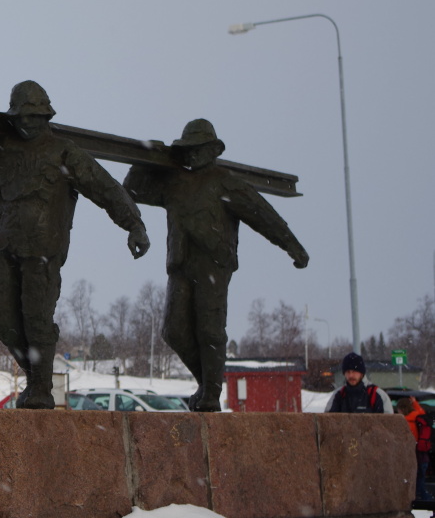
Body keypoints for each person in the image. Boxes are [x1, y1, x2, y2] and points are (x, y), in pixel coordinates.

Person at [0, 81, 150, 409]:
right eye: (23, 116)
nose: (28, 122)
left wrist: (133, 224)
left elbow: (106, 189)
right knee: (2, 322)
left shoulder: (64, 153)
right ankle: (37, 376)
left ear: (47, 116)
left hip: (42, 251)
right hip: (0, 249)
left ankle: (40, 387)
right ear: (13, 117)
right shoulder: (0, 150)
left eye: (35, 116)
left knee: (36, 319)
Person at [124, 119, 308, 412]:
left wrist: (293, 246)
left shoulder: (226, 183)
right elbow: (132, 191)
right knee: (174, 331)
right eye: (189, 149)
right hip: (181, 265)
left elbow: (264, 216)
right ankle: (207, 383)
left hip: (212, 265)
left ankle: (211, 392)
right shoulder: (174, 182)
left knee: (210, 330)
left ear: (213, 150)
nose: (193, 154)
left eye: (199, 148)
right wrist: (143, 161)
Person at [396, 396, 433, 501]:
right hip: (423, 455)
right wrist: (415, 403)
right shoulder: (417, 417)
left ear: (402, 409)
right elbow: (422, 412)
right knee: (420, 479)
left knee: (416, 481)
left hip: (415, 455)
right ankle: (423, 498)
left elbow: (409, 441)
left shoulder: (407, 421)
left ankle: (420, 499)